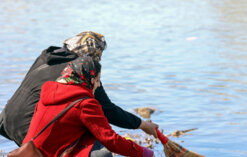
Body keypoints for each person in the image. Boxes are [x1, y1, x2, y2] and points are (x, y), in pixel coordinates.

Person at [21, 56, 161, 157]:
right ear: (88, 79)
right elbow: (111, 140)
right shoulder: (85, 103)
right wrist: (144, 153)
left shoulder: (49, 90)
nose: (98, 84)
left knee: (91, 140)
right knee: (103, 156)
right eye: (97, 79)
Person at [0, 31, 158, 147]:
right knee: (94, 136)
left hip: (6, 122)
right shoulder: (80, 71)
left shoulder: (46, 58)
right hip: (29, 132)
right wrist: (143, 125)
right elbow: (108, 111)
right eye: (99, 54)